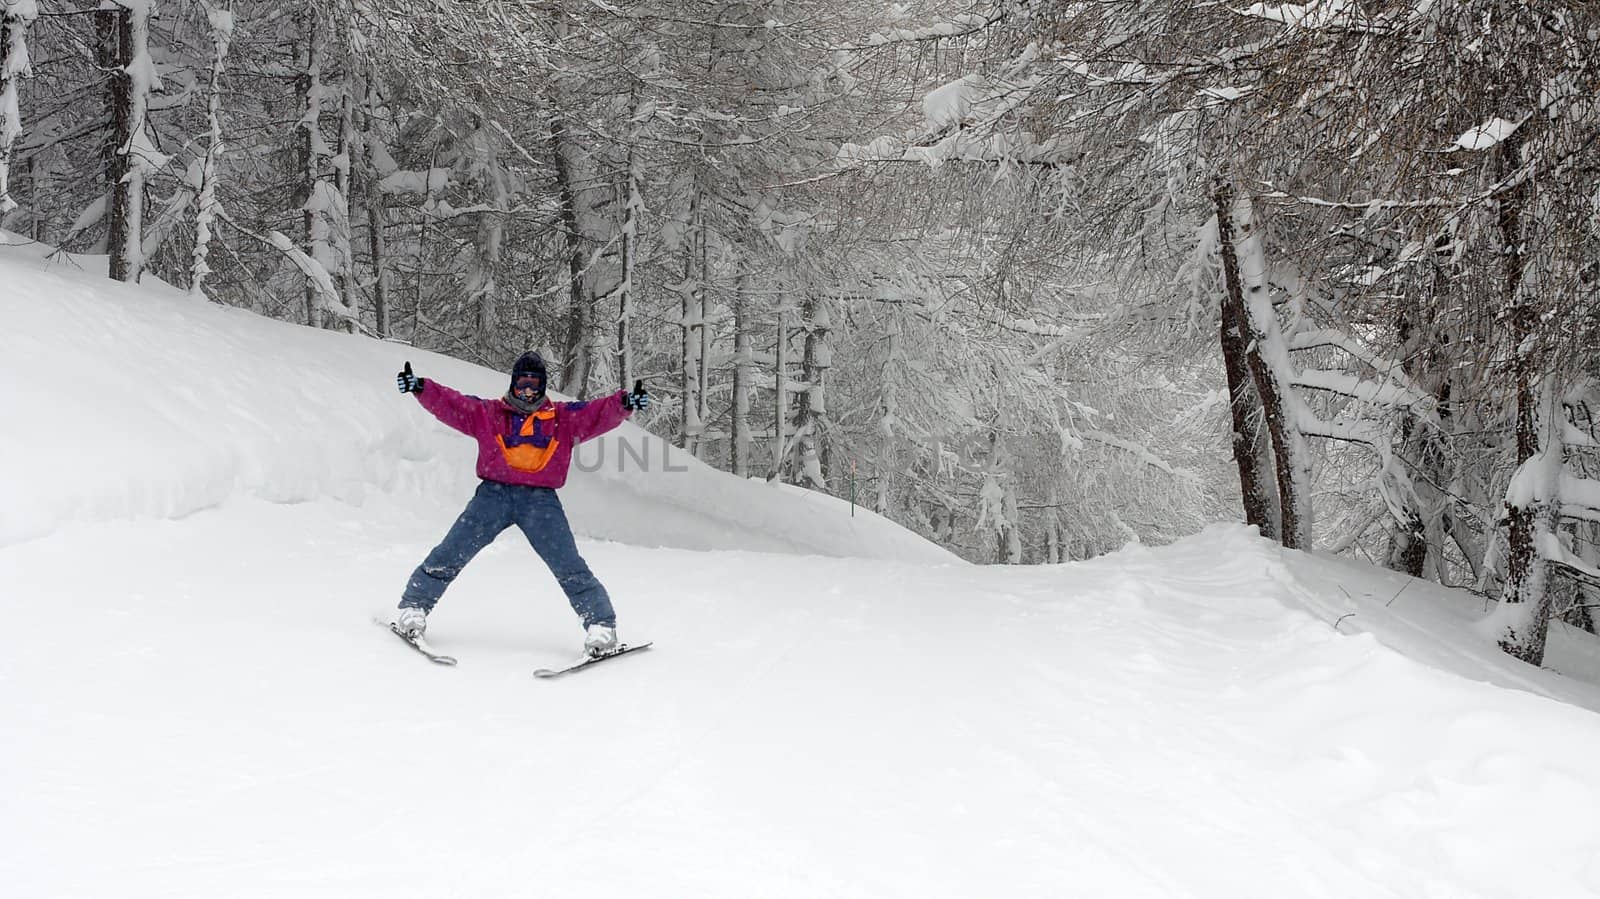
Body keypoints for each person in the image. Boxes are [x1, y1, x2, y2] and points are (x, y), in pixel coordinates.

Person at [392, 351, 650, 657]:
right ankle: (414, 607)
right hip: (492, 497)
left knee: (568, 564)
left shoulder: (562, 418)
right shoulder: (488, 413)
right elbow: (453, 403)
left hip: (540, 503)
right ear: (513, 384)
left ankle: (601, 626)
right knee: (451, 552)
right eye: (522, 384)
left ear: (542, 387)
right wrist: (420, 387)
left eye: (534, 384)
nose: (527, 391)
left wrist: (625, 403)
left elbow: (597, 412)